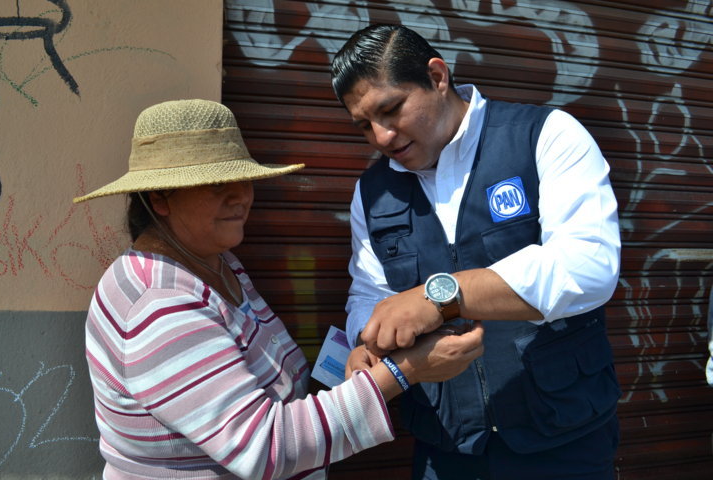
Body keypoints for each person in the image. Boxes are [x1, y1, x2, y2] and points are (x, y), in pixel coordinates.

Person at [73, 99, 485, 479]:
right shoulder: (159, 304)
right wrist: (404, 371)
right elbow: (264, 448)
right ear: (160, 199)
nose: (241, 196)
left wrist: (360, 362)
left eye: (244, 178)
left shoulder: (218, 264)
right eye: (217, 184)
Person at [331, 24, 622, 480]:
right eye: (364, 125)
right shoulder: (373, 192)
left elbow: (588, 267)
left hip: (562, 437)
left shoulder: (545, 135)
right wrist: (366, 344)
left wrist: (440, 296)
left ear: (437, 76)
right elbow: (369, 291)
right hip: (445, 445)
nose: (382, 136)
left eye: (391, 109)